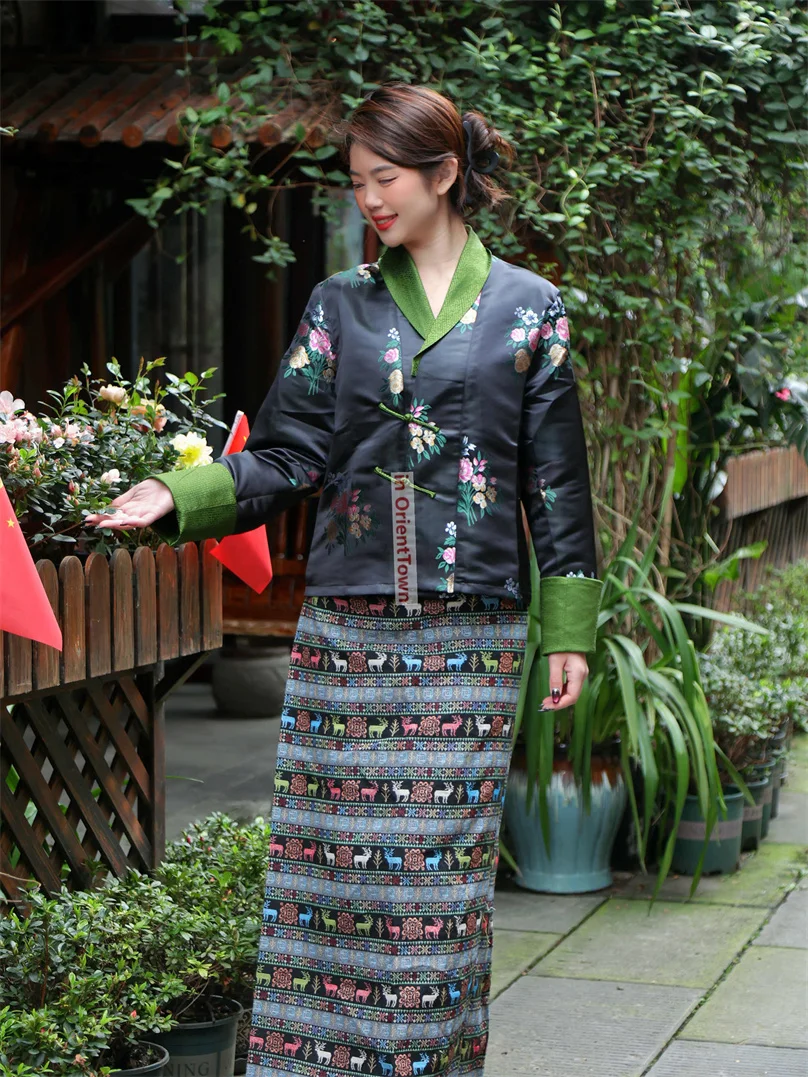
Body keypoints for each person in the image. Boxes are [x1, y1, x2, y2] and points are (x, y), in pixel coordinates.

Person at [86, 83, 603, 1077]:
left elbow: (556, 481)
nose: (368, 198)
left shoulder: (531, 311)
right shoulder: (340, 306)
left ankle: (423, 1061)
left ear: (445, 174)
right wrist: (178, 492)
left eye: (386, 178)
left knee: (435, 896)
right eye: (357, 181)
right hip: (346, 644)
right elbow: (284, 455)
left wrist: (570, 626)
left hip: (470, 647)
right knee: (330, 883)